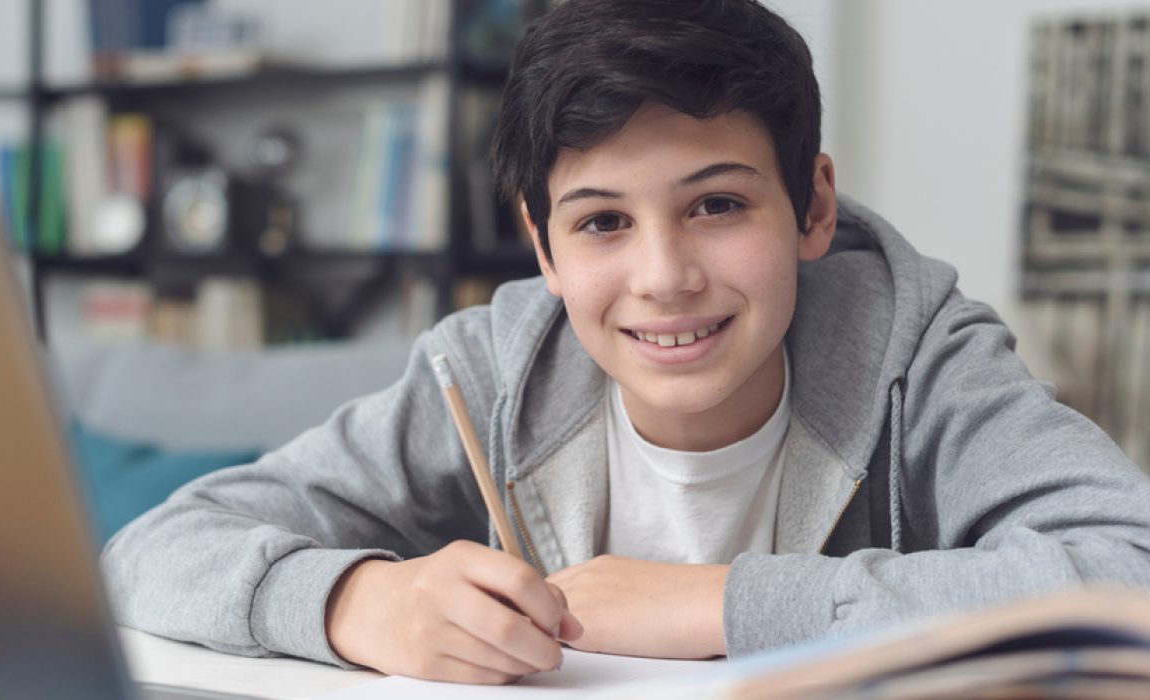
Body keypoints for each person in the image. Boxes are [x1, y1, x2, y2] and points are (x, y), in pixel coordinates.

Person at [101, 0, 1150, 685]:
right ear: (541, 248)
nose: (662, 276)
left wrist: (715, 604)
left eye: (716, 205)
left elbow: (1126, 572)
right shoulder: (482, 368)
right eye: (601, 221)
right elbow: (147, 554)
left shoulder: (922, 358)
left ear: (810, 206)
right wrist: (356, 601)